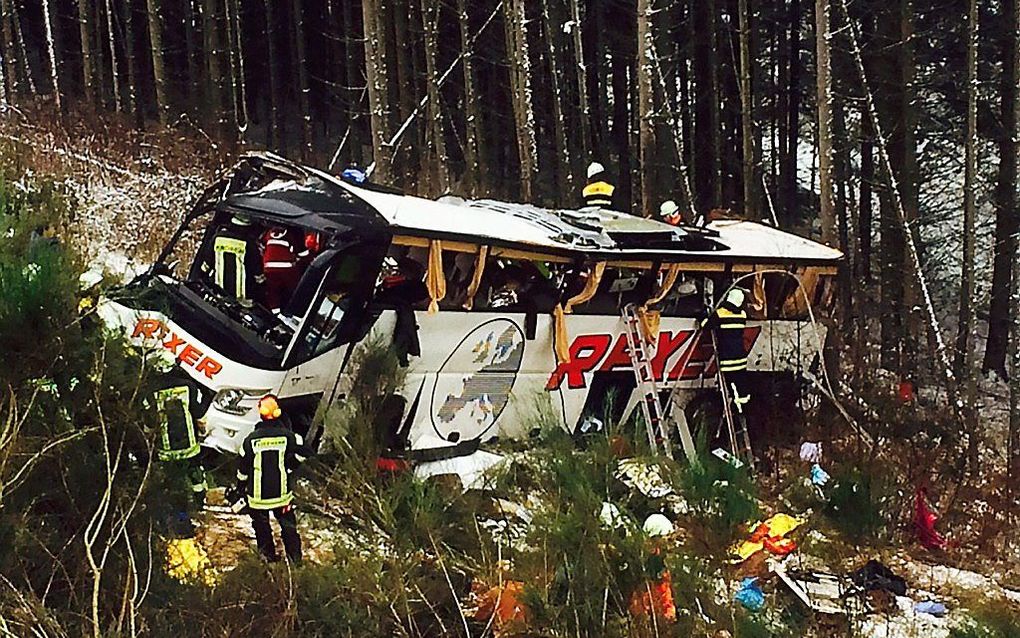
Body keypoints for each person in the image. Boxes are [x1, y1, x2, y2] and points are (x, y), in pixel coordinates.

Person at [231, 395, 311, 563]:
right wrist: (291, 466)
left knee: (262, 528)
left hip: (257, 499)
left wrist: (240, 487)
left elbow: (243, 469)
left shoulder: (250, 440)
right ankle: (295, 560)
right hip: (282, 497)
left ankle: (268, 558)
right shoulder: (289, 436)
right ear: (278, 413)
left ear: (260, 414)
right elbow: (306, 451)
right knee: (288, 527)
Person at [149, 352, 210, 507]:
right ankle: (199, 503)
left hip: (165, 448)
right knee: (195, 474)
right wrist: (209, 397)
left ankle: (174, 508)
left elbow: (149, 420)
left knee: (171, 480)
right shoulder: (187, 386)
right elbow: (198, 412)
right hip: (189, 445)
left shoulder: (151, 390)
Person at [701, 287, 752, 418]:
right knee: (741, 384)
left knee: (731, 386)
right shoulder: (742, 315)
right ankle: (744, 407)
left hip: (727, 358)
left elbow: (706, 326)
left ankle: (738, 410)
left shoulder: (721, 313)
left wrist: (703, 315)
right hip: (740, 357)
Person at [212, 214, 263, 302]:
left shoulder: (218, 238)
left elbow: (207, 264)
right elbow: (258, 274)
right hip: (244, 301)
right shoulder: (249, 244)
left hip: (218, 296)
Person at [260, 227, 301, 310]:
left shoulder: (267, 233)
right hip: (287, 268)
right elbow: (301, 252)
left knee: (272, 291)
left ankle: (275, 311)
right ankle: (296, 309)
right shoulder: (292, 234)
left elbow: (262, 247)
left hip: (269, 268)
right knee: (296, 289)